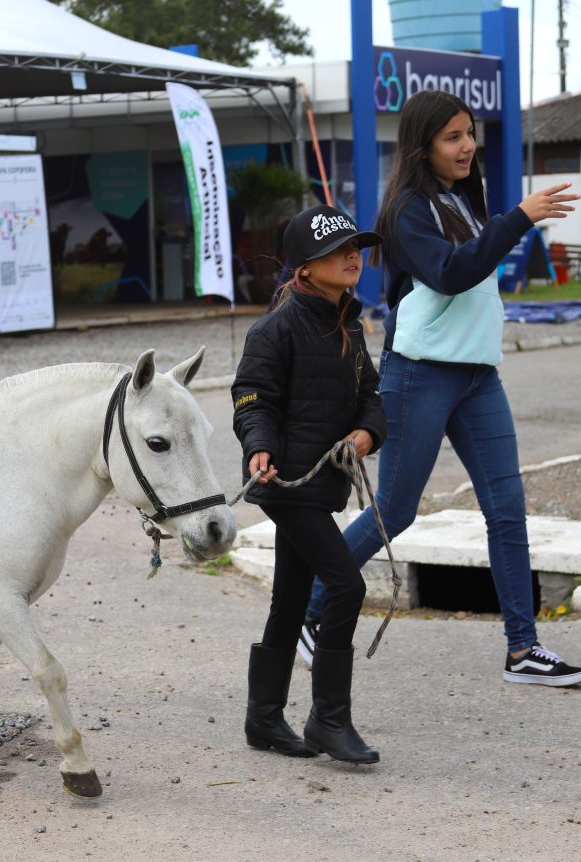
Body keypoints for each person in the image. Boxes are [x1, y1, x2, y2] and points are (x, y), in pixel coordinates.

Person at [298, 89, 581, 687]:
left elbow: (475, 267)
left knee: (507, 512)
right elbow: (452, 274)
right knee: (395, 512)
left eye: (470, 133)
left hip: (479, 375)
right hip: (420, 373)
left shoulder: (462, 197)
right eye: (452, 136)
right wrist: (520, 217)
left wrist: (505, 219)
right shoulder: (406, 209)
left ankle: (522, 649)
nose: (466, 146)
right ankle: (308, 613)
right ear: (423, 144)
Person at [232, 204, 387, 764]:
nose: (353, 257)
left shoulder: (349, 321)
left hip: (324, 484)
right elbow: (252, 398)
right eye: (336, 251)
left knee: (291, 599)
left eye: (356, 247)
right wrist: (259, 447)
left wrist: (368, 433)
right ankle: (328, 720)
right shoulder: (274, 328)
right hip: (286, 484)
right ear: (303, 269)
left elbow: (371, 393)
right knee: (347, 587)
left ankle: (264, 719)